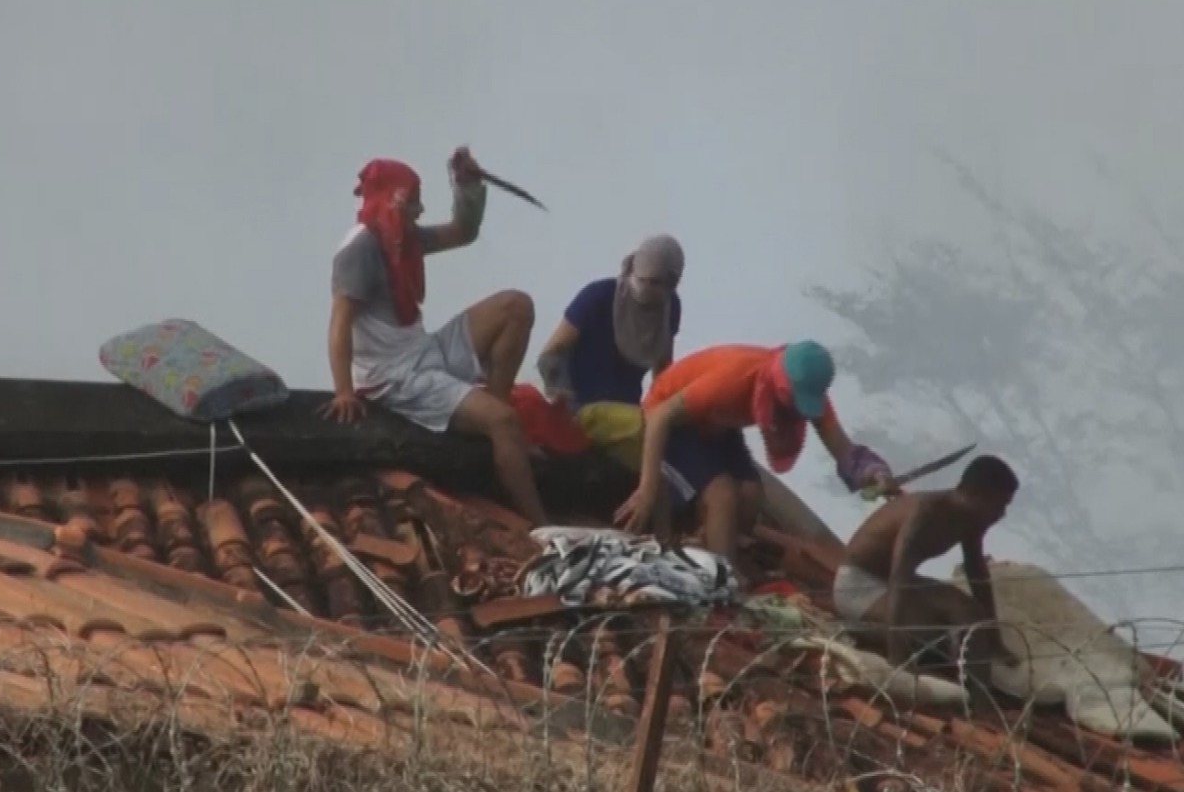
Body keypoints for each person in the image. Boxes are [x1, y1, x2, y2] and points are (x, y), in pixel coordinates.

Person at [322, 147, 549, 525]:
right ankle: (541, 527)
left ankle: (489, 419)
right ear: (392, 203)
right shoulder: (360, 248)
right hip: (394, 377)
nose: (420, 210)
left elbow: (463, 231)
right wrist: (344, 391)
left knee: (516, 306)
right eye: (413, 201)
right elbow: (340, 323)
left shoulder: (401, 236)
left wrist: (467, 188)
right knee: (505, 422)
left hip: (424, 352)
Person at [615, 341, 895, 574]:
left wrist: (872, 473)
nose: (793, 415)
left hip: (719, 425)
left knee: (750, 495)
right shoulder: (732, 379)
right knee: (723, 494)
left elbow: (844, 450)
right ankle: (722, 577)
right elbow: (661, 416)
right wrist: (647, 489)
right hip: (671, 421)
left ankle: (704, 541)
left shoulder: (809, 395)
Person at [834, 454, 1021, 687]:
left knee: (968, 614)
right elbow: (899, 578)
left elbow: (977, 574)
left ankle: (979, 689)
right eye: (1000, 505)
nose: (1001, 515)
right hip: (859, 586)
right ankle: (975, 697)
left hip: (894, 583)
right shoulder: (926, 512)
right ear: (975, 495)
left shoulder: (971, 521)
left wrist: (994, 640)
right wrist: (898, 655)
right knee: (939, 628)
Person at [535, 235, 684, 471]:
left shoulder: (669, 310)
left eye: (655, 282)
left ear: (672, 282)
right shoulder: (599, 296)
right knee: (651, 434)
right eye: (642, 279)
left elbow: (663, 372)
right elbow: (550, 354)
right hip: (584, 410)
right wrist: (563, 399)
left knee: (674, 445)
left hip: (626, 416)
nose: (646, 287)